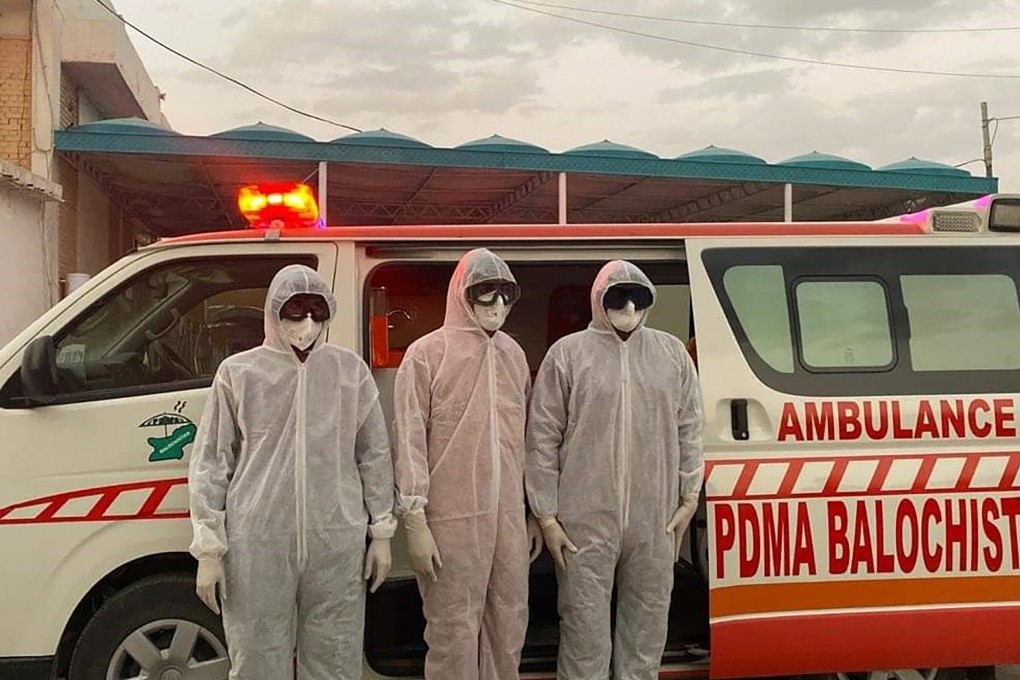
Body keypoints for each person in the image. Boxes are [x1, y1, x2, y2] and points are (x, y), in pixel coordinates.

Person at [188, 264, 396, 680]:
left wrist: (383, 533)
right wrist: (209, 549)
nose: (306, 324)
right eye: (295, 312)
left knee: (335, 659)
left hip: (335, 540)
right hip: (258, 542)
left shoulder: (349, 372)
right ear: (273, 313)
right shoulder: (239, 373)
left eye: (317, 314)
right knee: (258, 659)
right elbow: (211, 461)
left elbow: (373, 453)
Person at [526, 260, 704, 680]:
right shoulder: (568, 355)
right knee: (583, 627)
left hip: (654, 517)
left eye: (637, 298)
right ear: (597, 301)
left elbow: (690, 427)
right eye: (617, 298)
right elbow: (542, 437)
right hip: (583, 519)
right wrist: (546, 514)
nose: (627, 307)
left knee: (647, 626)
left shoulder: (671, 353)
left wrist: (689, 496)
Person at [393, 248, 543, 680]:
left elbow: (527, 438)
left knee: (509, 622)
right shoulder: (426, 355)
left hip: (509, 520)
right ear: (462, 294)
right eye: (484, 295)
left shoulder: (514, 355)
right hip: (450, 520)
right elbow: (409, 440)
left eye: (505, 295)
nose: (496, 306)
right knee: (453, 629)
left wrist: (533, 511)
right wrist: (415, 522)